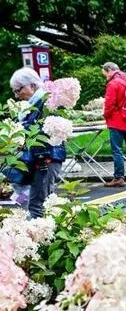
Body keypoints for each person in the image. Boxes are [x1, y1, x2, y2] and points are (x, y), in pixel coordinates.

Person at [4, 68, 65, 217]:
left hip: (44, 160)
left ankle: (40, 230)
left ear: (31, 85)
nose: (16, 95)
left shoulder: (45, 104)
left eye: (18, 90)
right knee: (36, 203)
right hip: (38, 160)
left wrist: (41, 159)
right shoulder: (31, 105)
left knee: (37, 206)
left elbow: (42, 132)